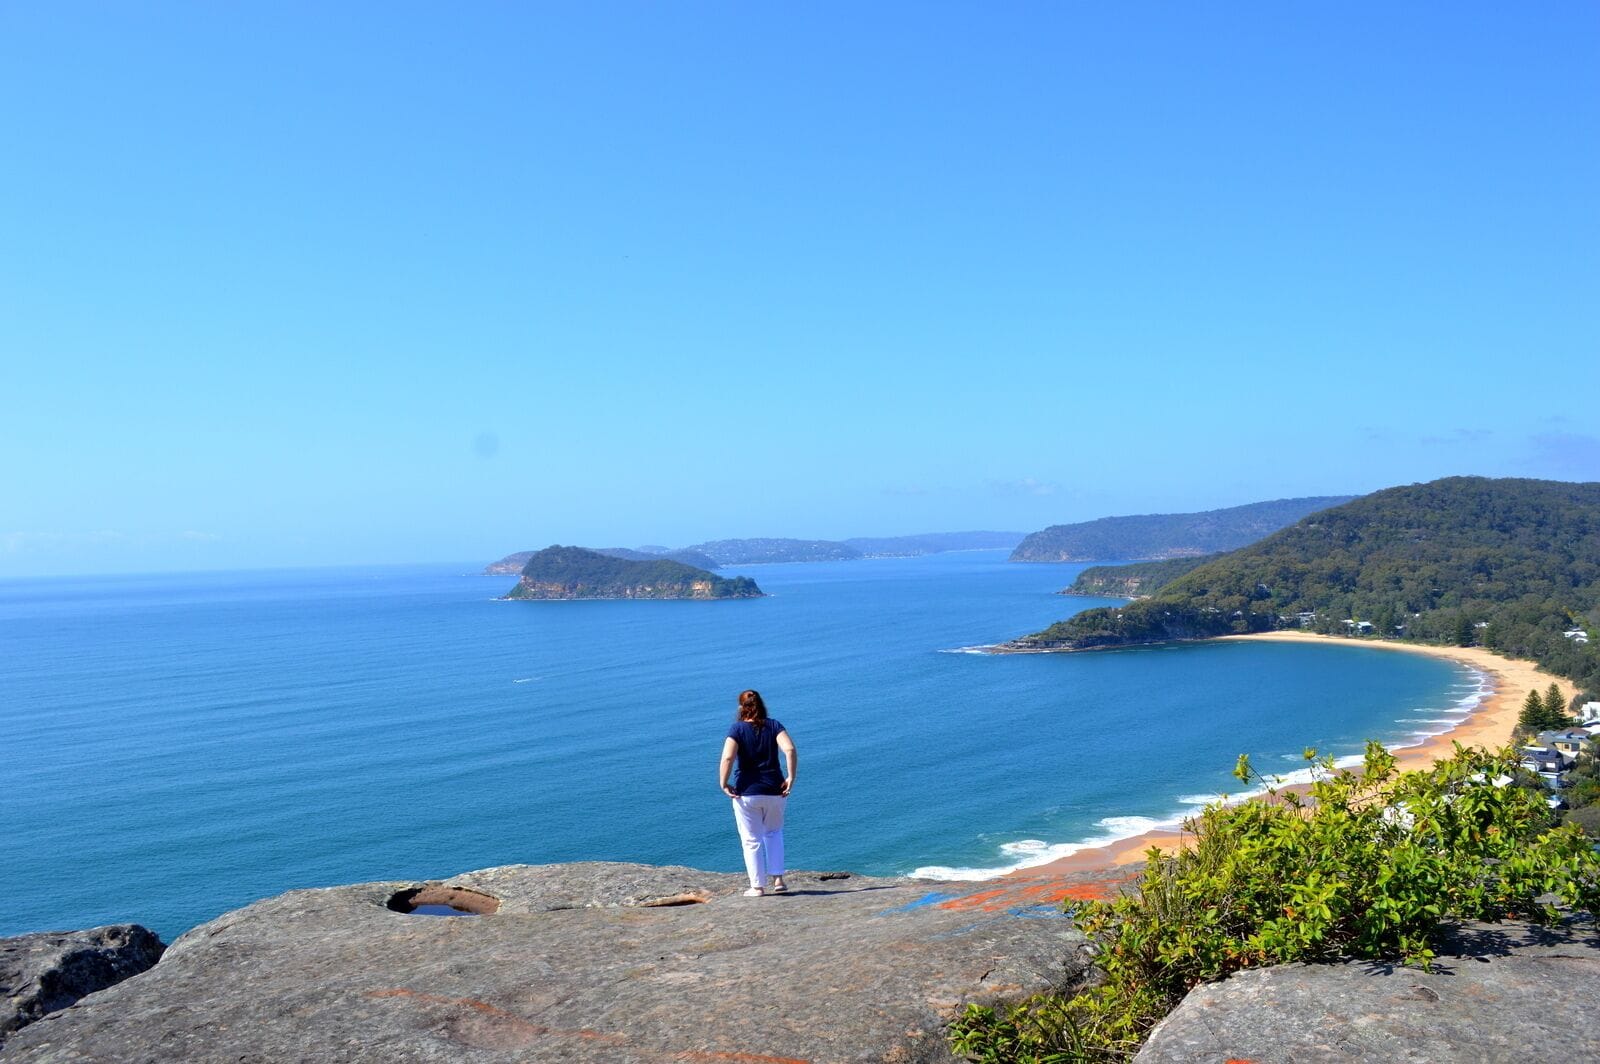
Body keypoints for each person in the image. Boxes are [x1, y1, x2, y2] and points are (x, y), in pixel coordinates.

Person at [718, 689, 797, 897]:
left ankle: (757, 887)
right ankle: (779, 880)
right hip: (775, 790)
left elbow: (727, 758)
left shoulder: (737, 729)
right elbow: (789, 749)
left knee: (751, 839)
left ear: (741, 708)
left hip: (747, 792)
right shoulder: (774, 725)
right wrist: (790, 777)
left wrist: (723, 782)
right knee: (774, 833)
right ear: (762, 704)